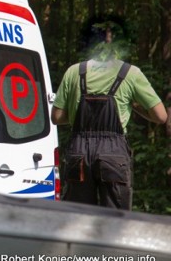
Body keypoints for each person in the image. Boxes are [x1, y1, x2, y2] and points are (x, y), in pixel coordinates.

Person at [51, 16, 168, 210]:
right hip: (113, 153)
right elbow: (161, 116)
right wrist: (136, 107)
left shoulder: (74, 72)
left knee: (77, 216)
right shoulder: (130, 73)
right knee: (116, 220)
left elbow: (56, 117)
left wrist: (76, 115)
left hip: (79, 152)